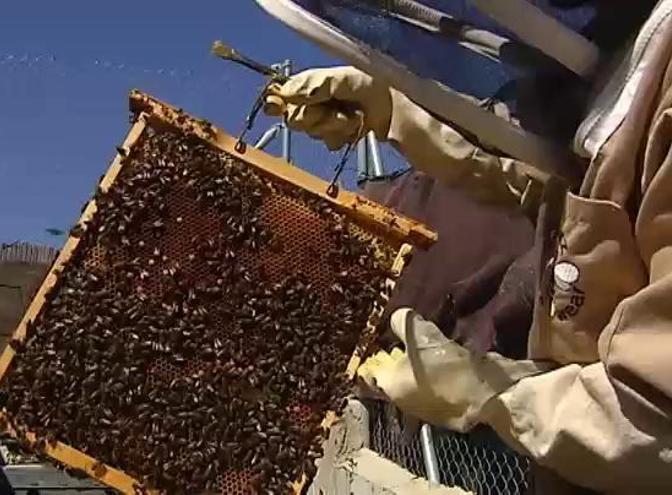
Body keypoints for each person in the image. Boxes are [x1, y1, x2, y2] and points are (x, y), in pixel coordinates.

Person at [263, 7, 672, 495]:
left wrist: (491, 393)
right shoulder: (611, 91)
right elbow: (556, 189)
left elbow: (652, 429)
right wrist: (396, 116)